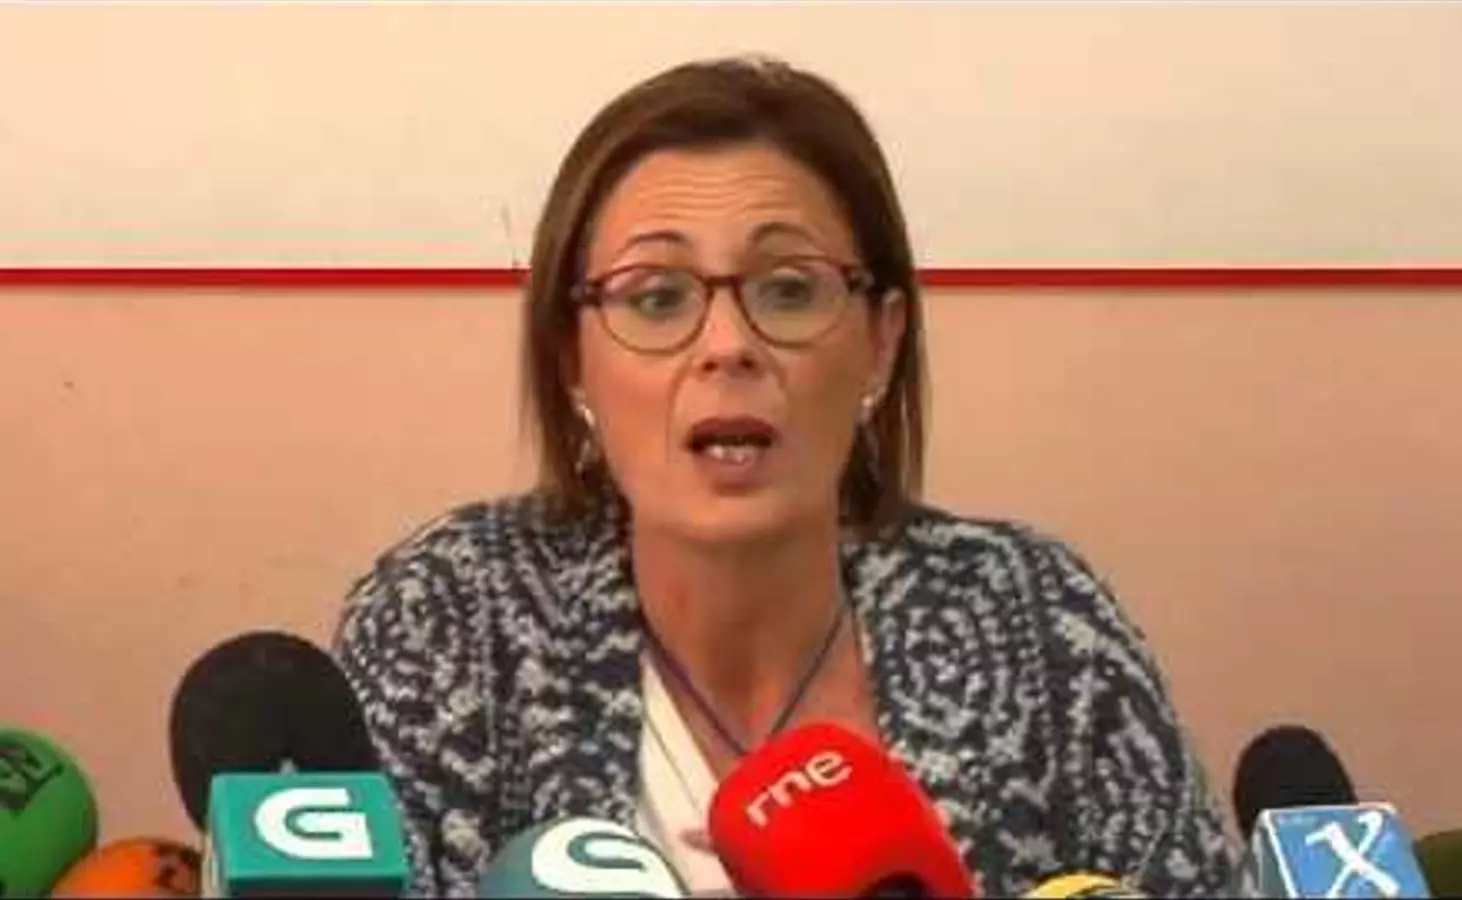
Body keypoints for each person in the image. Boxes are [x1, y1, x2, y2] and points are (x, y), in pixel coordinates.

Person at [332, 55, 1236, 897]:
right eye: (658, 297)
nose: (728, 345)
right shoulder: (449, 616)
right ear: (572, 359)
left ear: (881, 340)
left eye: (790, 289)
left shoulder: (1036, 618)